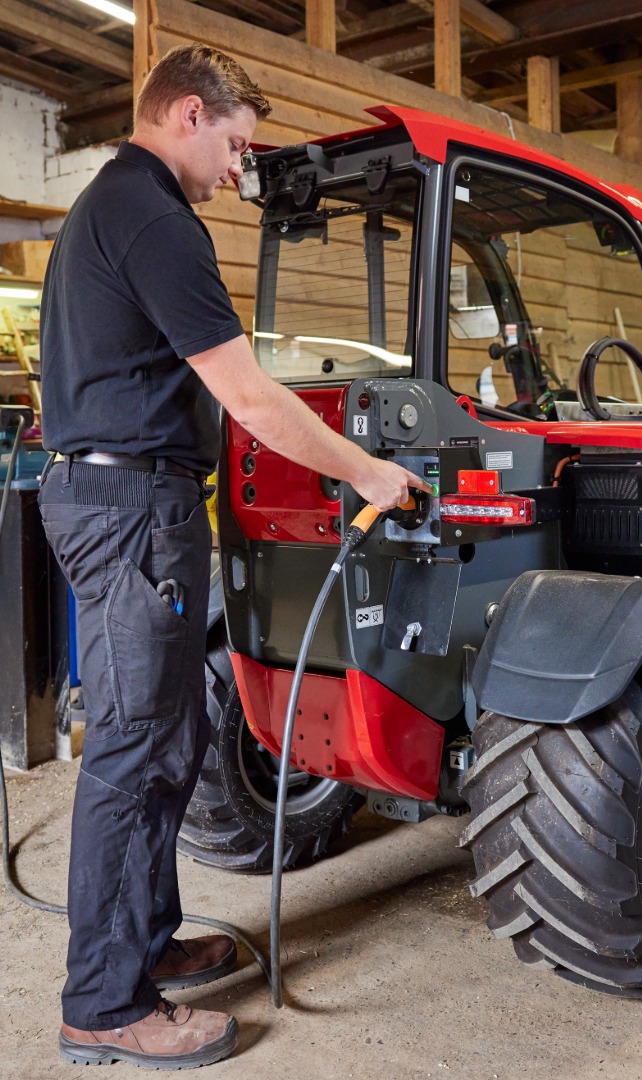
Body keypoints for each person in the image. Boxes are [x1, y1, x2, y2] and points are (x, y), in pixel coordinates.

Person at [37, 43, 429, 1070]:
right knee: (132, 757)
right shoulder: (157, 219)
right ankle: (104, 1003)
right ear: (185, 115)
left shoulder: (109, 208)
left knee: (168, 739)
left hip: (118, 497)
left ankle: (147, 946)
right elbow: (249, 397)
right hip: (133, 510)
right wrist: (370, 474)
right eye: (234, 145)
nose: (235, 171)